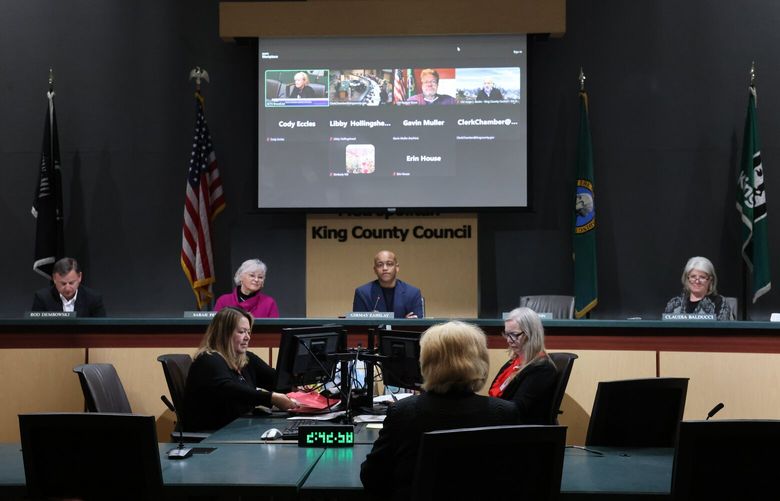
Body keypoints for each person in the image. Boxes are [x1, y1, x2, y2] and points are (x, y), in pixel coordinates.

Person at [360, 321, 519, 500]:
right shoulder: (504, 413)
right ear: (480, 361)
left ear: (425, 362)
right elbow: (516, 481)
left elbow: (371, 476)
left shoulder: (403, 412)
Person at [183, 307, 297, 431]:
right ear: (224, 334)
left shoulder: (246, 359)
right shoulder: (208, 360)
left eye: (248, 332)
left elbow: (277, 381)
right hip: (213, 435)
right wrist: (271, 398)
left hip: (237, 429)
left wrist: (297, 387)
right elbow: (231, 389)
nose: (247, 337)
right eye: (241, 332)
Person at [489, 307, 557, 424]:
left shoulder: (543, 368)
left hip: (520, 432)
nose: (509, 340)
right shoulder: (515, 361)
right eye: (506, 334)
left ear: (531, 334)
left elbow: (517, 408)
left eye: (514, 335)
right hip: (501, 422)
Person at [352, 250, 423, 318]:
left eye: (389, 264)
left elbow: (417, 326)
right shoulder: (363, 293)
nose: (385, 268)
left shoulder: (412, 293)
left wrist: (406, 323)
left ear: (397, 267)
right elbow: (359, 326)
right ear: (375, 269)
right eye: (380, 265)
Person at [31, 257, 106, 316]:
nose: (67, 288)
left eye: (71, 283)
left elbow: (101, 331)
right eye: (63, 284)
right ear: (54, 278)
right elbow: (35, 330)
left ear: (79, 277)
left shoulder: (93, 298)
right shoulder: (42, 298)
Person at [664, 256, 733, 320]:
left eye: (702, 277)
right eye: (693, 276)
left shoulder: (720, 303)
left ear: (710, 280)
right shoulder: (674, 304)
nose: (697, 281)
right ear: (687, 278)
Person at [214, 259, 279, 318]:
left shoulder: (269, 303)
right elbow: (217, 328)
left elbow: (275, 330)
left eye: (260, 277)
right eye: (252, 275)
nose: (256, 279)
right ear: (241, 277)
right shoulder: (223, 301)